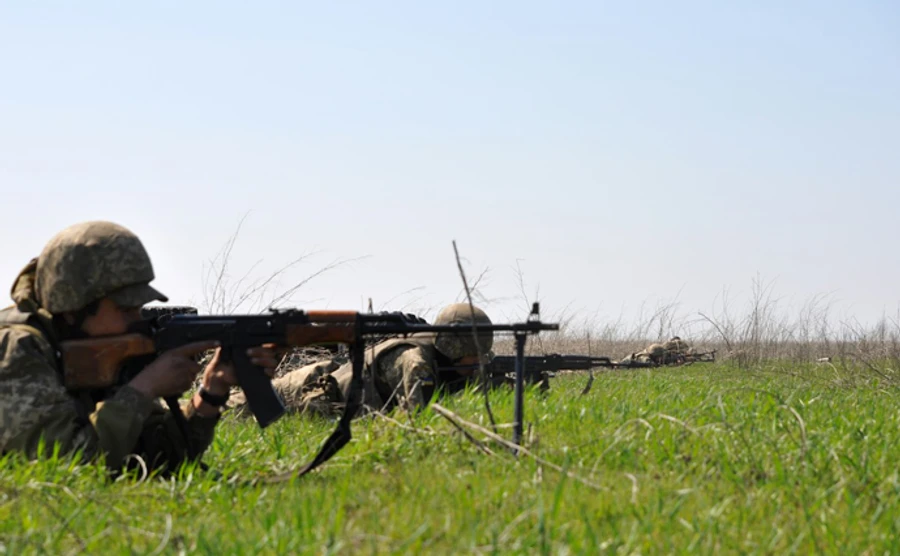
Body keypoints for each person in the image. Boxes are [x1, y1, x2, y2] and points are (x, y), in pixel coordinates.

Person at [0, 221, 280, 476]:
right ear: (74, 307)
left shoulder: (101, 351)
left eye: (139, 307)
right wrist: (142, 389)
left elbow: (152, 457)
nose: (138, 320)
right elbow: (65, 465)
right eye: (124, 309)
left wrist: (211, 392)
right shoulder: (17, 349)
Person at [227, 302, 494, 418]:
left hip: (327, 389)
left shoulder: (450, 361)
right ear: (454, 347)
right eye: (474, 357)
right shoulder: (416, 362)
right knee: (224, 411)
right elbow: (414, 422)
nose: (477, 365)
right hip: (303, 391)